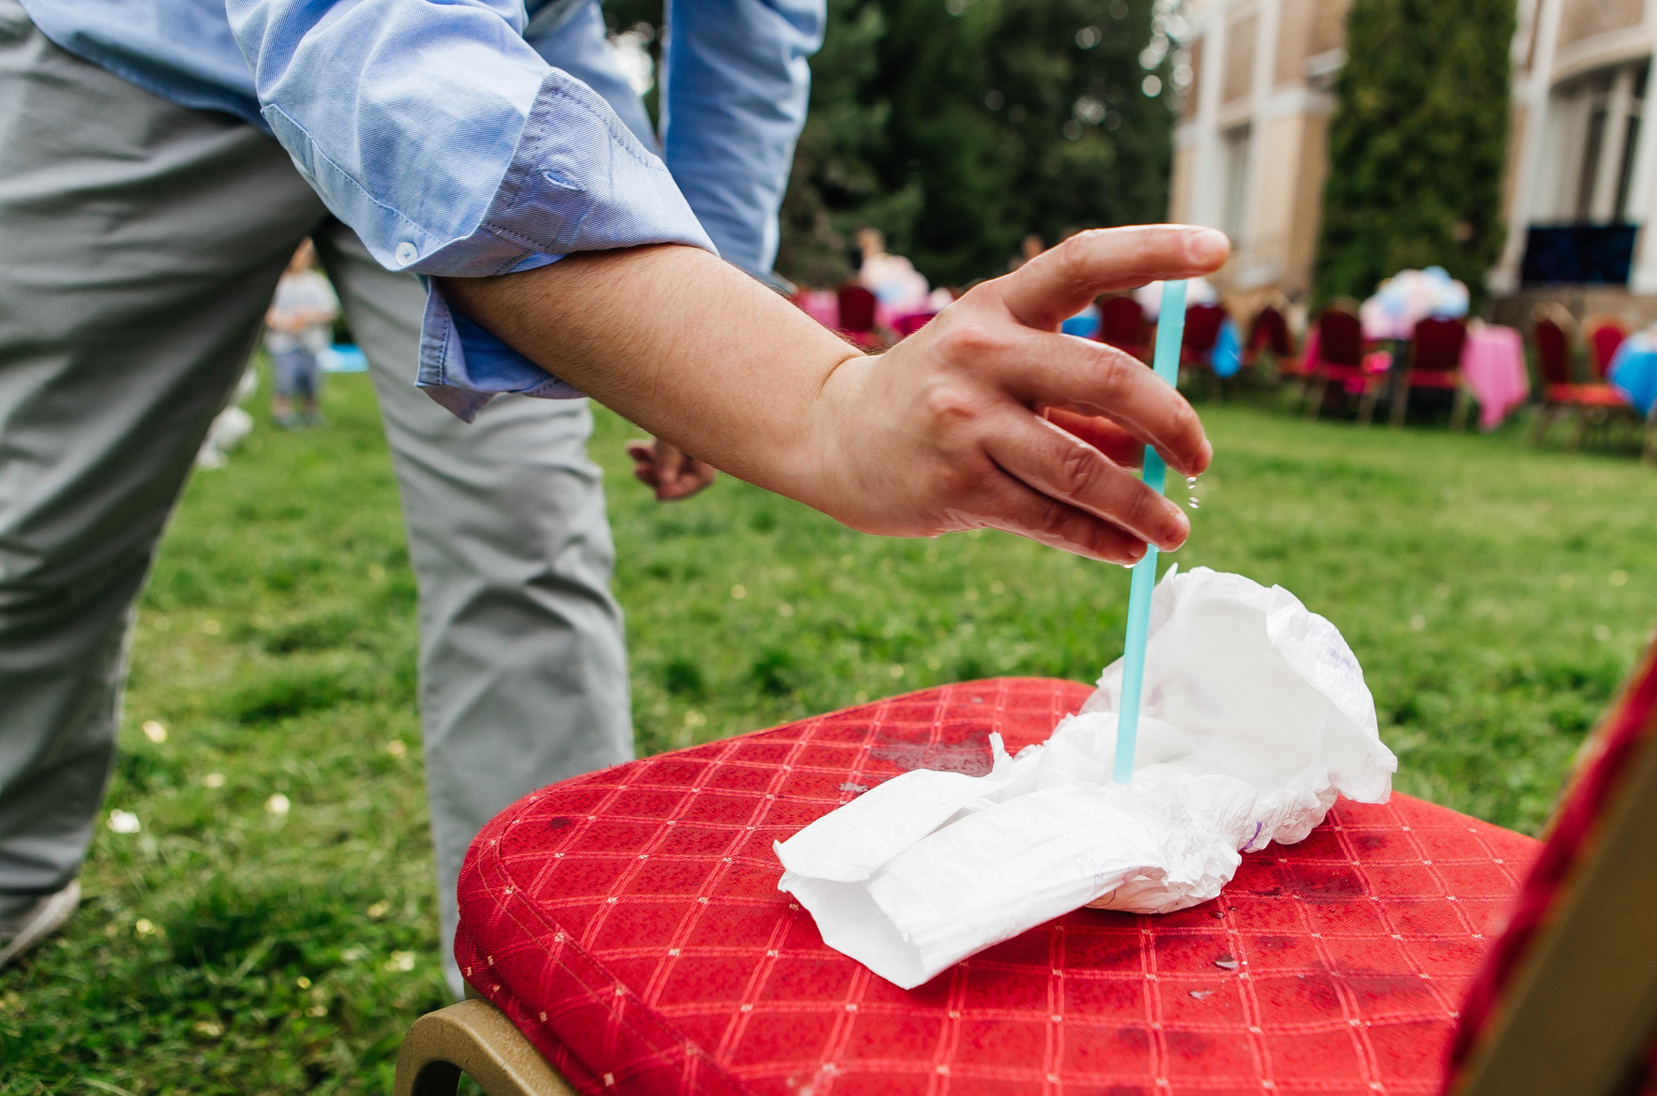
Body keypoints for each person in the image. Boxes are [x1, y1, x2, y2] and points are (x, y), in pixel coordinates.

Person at [0, 0, 1227, 991]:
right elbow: (367, 47)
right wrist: (814, 404)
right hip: (150, 64)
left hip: (505, 56)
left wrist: (711, 335)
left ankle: (543, 983)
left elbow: (747, 28)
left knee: (526, 543)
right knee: (35, 530)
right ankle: (15, 862)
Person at [264, 239, 339, 426]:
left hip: (311, 343)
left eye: (303, 255)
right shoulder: (278, 282)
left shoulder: (317, 283)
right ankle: (282, 413)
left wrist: (310, 316)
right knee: (284, 379)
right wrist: (285, 323)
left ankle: (310, 412)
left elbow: (331, 310)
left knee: (311, 380)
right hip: (283, 343)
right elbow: (267, 312)